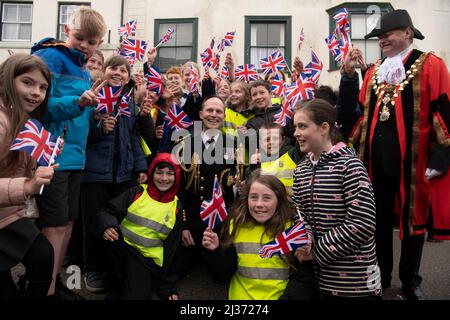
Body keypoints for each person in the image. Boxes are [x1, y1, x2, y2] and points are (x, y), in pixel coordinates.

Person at [349, 9, 450, 300]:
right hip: (375, 161)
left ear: (407, 33)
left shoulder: (430, 64)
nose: (382, 40)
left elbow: (444, 111)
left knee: (412, 221)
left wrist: (441, 156)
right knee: (377, 221)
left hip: (413, 161)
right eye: (379, 37)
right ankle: (380, 276)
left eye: (387, 34)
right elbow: (361, 116)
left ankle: (411, 280)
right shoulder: (373, 71)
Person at [31, 6, 107, 298]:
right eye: (80, 37)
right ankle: (43, 289)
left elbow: (78, 115)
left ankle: (53, 282)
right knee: (54, 226)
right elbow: (37, 104)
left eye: (91, 41)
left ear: (99, 43)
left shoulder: (82, 67)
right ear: (67, 31)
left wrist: (96, 120)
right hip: (53, 156)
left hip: (74, 158)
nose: (85, 45)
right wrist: (78, 102)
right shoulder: (51, 57)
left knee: (67, 224)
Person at [291, 99, 381, 299]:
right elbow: (299, 214)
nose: (296, 132)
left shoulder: (349, 165)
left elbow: (363, 222)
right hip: (318, 280)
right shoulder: (301, 169)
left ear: (324, 127)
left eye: (302, 126)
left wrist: (317, 251)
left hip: (354, 283)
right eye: (295, 126)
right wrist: (304, 241)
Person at [81, 55, 148, 292]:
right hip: (96, 173)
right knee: (94, 221)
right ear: (105, 71)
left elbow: (133, 137)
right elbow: (80, 133)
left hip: (123, 174)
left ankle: (113, 267)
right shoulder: (92, 95)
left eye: (123, 70)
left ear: (128, 77)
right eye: (113, 68)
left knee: (116, 223)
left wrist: (140, 167)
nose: (118, 73)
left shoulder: (129, 102)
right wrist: (100, 129)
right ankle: (93, 268)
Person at [0, 54, 56, 299]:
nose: (36, 92)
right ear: (7, 80)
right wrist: (28, 185)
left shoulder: (23, 119)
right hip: (7, 211)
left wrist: (40, 158)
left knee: (43, 255)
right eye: (28, 83)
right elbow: (23, 180)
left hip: (8, 212)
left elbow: (17, 166)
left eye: (43, 87)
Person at [94, 153, 183, 300]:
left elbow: (173, 250)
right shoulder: (137, 192)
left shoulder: (177, 208)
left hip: (145, 261)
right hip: (122, 250)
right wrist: (107, 226)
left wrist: (168, 287)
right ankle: (116, 284)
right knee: (107, 235)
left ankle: (126, 284)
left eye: (169, 174)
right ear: (151, 173)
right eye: (159, 172)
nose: (164, 178)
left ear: (177, 177)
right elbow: (107, 211)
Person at [171, 96, 236, 287]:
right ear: (201, 114)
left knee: (222, 275)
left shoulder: (232, 144)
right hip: (191, 220)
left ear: (224, 116)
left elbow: (231, 181)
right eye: (209, 110)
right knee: (175, 273)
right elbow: (179, 187)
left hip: (218, 221)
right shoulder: (185, 142)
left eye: (218, 111)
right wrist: (183, 225)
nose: (214, 115)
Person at [202, 170, 298, 300]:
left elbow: (302, 278)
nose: (259, 204)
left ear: (279, 200)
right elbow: (221, 275)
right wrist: (215, 251)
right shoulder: (236, 225)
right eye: (253, 197)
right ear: (246, 199)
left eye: (267, 198)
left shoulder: (292, 229)